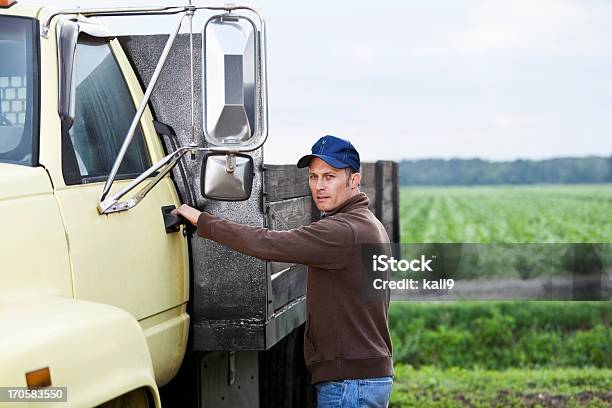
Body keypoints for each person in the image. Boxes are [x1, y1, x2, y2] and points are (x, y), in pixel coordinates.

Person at [175, 135, 394, 407]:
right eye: (314, 177)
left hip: (349, 384)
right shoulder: (367, 223)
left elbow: (268, 243)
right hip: (362, 377)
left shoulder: (342, 231)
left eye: (330, 176)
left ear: (353, 180)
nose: (319, 186)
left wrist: (203, 220)